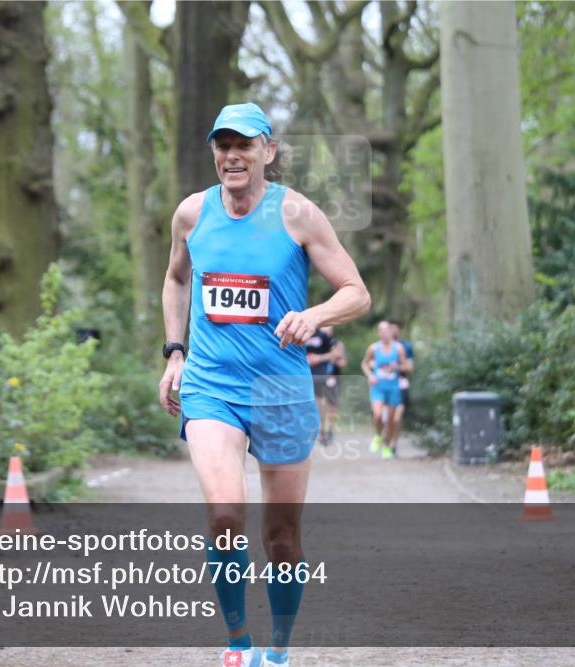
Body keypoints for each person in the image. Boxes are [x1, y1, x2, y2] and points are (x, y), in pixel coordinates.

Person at [158, 102, 370, 667]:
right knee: (226, 514)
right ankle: (238, 646)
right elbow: (176, 279)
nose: (233, 155)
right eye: (223, 145)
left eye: (245, 145)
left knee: (281, 537)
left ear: (267, 152)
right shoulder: (191, 214)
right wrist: (175, 351)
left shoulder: (297, 214)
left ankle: (278, 651)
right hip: (212, 386)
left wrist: (315, 316)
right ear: (214, 151)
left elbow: (357, 292)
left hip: (280, 391)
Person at [361, 320, 410, 459]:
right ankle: (378, 436)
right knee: (377, 414)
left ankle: (387, 446)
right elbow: (364, 363)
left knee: (390, 419)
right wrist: (370, 375)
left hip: (393, 387)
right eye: (381, 330)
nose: (384, 333)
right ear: (378, 333)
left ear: (390, 331)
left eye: (386, 330)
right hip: (378, 386)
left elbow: (406, 367)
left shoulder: (399, 348)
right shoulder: (373, 348)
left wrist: (397, 367)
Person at [305, 326, 345, 446]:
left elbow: (340, 358)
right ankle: (321, 431)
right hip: (311, 376)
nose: (327, 330)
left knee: (331, 405)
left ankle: (330, 431)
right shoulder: (305, 334)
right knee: (318, 404)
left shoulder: (333, 342)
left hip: (330, 377)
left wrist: (320, 358)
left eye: (329, 328)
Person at [388, 318, 414, 441]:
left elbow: (410, 368)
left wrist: (397, 367)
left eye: (394, 328)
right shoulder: (380, 346)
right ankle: (386, 440)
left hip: (401, 384)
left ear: (400, 330)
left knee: (397, 418)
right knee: (387, 417)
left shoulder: (406, 346)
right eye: (390, 328)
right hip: (385, 385)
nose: (392, 330)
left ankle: (394, 444)